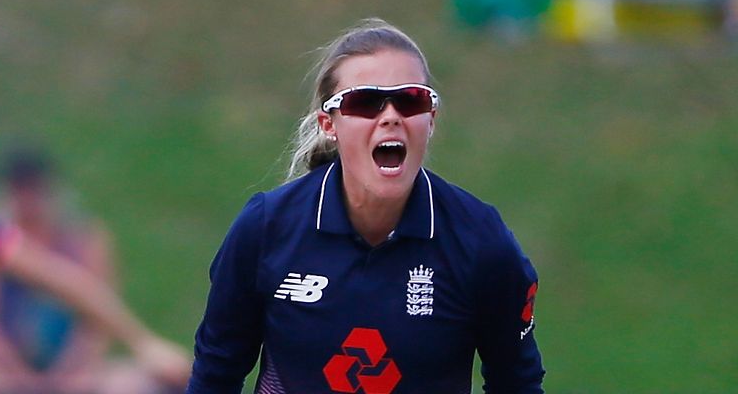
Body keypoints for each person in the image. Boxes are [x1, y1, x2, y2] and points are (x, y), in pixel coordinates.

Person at [187, 19, 545, 394]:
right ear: (329, 123)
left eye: (410, 100)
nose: (390, 116)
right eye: (365, 102)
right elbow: (216, 373)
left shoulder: (481, 240)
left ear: (431, 119)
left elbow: (517, 382)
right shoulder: (266, 228)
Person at [0, 153, 190, 392]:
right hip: (3, 374)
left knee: (154, 381)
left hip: (74, 374)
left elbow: (61, 279)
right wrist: (15, 375)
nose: (26, 201)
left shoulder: (79, 238)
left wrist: (143, 342)